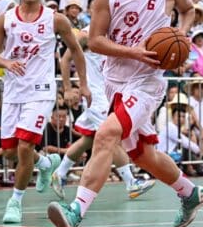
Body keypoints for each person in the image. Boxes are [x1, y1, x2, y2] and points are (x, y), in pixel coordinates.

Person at [47, 0, 203, 227]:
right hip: (116, 82)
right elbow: (94, 41)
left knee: (107, 132)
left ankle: (75, 213)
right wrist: (134, 51)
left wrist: (182, 36)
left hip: (148, 82)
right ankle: (189, 193)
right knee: (142, 155)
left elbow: (188, 10)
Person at [0, 0, 91, 224]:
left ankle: (15, 201)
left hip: (41, 91)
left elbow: (76, 51)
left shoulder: (55, 19)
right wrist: (6, 63)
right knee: (9, 153)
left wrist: (76, 85)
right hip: (13, 91)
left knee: (24, 145)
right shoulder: (5, 20)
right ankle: (44, 164)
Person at [51, 28, 155, 200]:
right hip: (95, 96)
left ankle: (60, 173)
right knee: (112, 139)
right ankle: (131, 183)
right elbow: (65, 60)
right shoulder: (86, 35)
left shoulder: (117, 34)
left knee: (89, 139)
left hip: (108, 94)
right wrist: (68, 88)